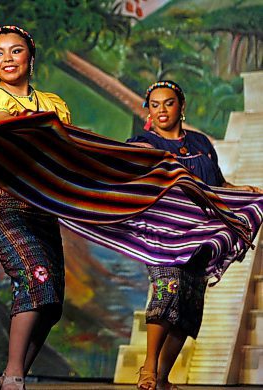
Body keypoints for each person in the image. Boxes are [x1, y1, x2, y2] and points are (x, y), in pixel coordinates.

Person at [129, 80, 263, 390]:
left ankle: (162, 377)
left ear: (181, 106)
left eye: (169, 103)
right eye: (155, 104)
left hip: (200, 234)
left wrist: (242, 191)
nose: (162, 109)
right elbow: (131, 167)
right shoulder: (143, 142)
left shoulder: (202, 143)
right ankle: (148, 369)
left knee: (189, 306)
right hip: (163, 232)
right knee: (167, 289)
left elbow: (216, 185)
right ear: (148, 110)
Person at [0, 26, 71, 390]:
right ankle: (14, 374)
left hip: (43, 206)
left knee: (52, 300)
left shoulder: (54, 102)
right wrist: (46, 132)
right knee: (34, 277)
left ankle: (15, 374)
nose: (7, 59)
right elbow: (5, 127)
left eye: (15, 51)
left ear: (31, 59)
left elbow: (65, 149)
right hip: (3, 201)